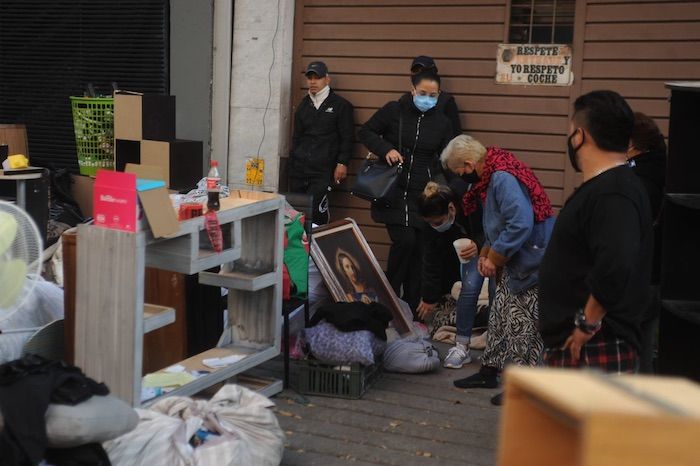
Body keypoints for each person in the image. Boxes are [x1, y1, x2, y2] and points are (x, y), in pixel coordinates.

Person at [538, 90, 653, 374]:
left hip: (594, 348)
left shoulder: (614, 193)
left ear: (580, 136)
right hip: (580, 345)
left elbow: (615, 262)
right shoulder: (608, 188)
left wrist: (586, 323)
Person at [441, 135, 555, 406]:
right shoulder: (489, 175)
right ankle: (490, 371)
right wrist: (485, 253)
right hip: (513, 257)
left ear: (469, 163)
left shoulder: (502, 178)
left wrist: (495, 257)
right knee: (500, 315)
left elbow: (519, 223)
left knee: (522, 324)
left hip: (530, 258)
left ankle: (524, 385)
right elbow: (496, 220)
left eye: (458, 171)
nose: (459, 177)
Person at [358, 71, 453, 312]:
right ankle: (388, 296)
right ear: (412, 90)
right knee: (405, 241)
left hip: (423, 195)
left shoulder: (443, 122)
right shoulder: (393, 110)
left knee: (419, 249)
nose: (427, 98)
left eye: (433, 95)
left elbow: (447, 157)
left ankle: (411, 309)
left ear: (439, 95)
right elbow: (366, 132)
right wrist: (386, 149)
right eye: (422, 94)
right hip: (393, 190)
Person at [416, 181, 491, 369]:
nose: (435, 226)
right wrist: (429, 297)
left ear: (451, 208)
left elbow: (489, 229)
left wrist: (478, 244)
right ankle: (462, 345)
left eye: (438, 222)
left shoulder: (470, 203)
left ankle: (489, 342)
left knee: (479, 288)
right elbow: (430, 261)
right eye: (430, 223)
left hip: (484, 250)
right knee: (465, 289)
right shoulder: (431, 226)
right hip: (454, 262)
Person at [289, 61, 354, 225]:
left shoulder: (341, 105)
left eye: (317, 78)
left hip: (324, 170)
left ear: (327, 79)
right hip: (300, 170)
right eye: (309, 78)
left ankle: (317, 247)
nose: (312, 81)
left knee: (317, 212)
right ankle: (302, 248)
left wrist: (342, 163)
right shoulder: (303, 106)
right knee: (297, 213)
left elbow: (347, 137)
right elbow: (296, 137)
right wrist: (292, 163)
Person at [627, 112, 666, 373]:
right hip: (658, 272)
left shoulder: (637, 180)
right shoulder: (667, 170)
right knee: (644, 347)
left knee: (629, 348)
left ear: (632, 145)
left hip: (639, 275)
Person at [410, 56, 461, 137]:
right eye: (415, 72)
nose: (418, 75)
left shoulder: (446, 101)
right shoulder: (406, 99)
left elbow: (455, 135)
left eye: (422, 71)